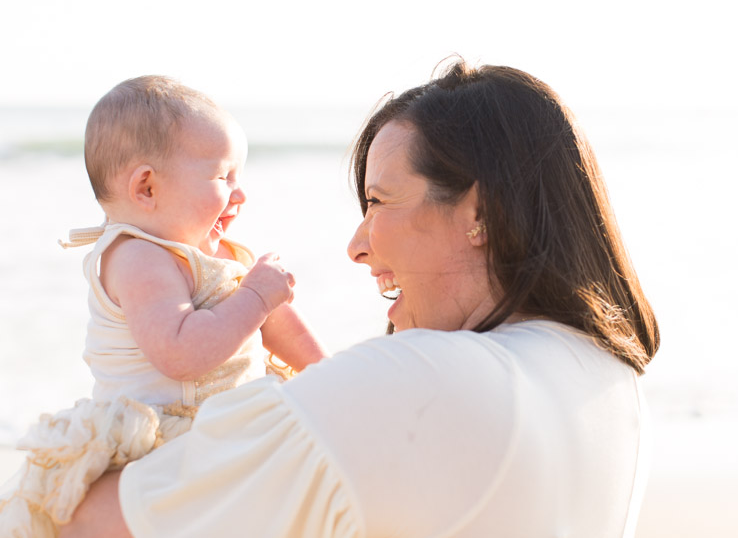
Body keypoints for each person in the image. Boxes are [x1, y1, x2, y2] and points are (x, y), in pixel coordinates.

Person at [61, 59, 659, 538]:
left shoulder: (416, 380)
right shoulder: (607, 378)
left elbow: (90, 526)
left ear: (480, 213)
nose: (357, 246)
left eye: (378, 202)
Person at [0, 76, 327, 537]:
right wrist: (255, 297)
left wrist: (327, 371)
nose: (241, 193)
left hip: (224, 426)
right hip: (163, 438)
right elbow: (180, 353)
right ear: (148, 188)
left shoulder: (217, 253)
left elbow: (276, 326)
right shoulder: (136, 257)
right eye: (223, 177)